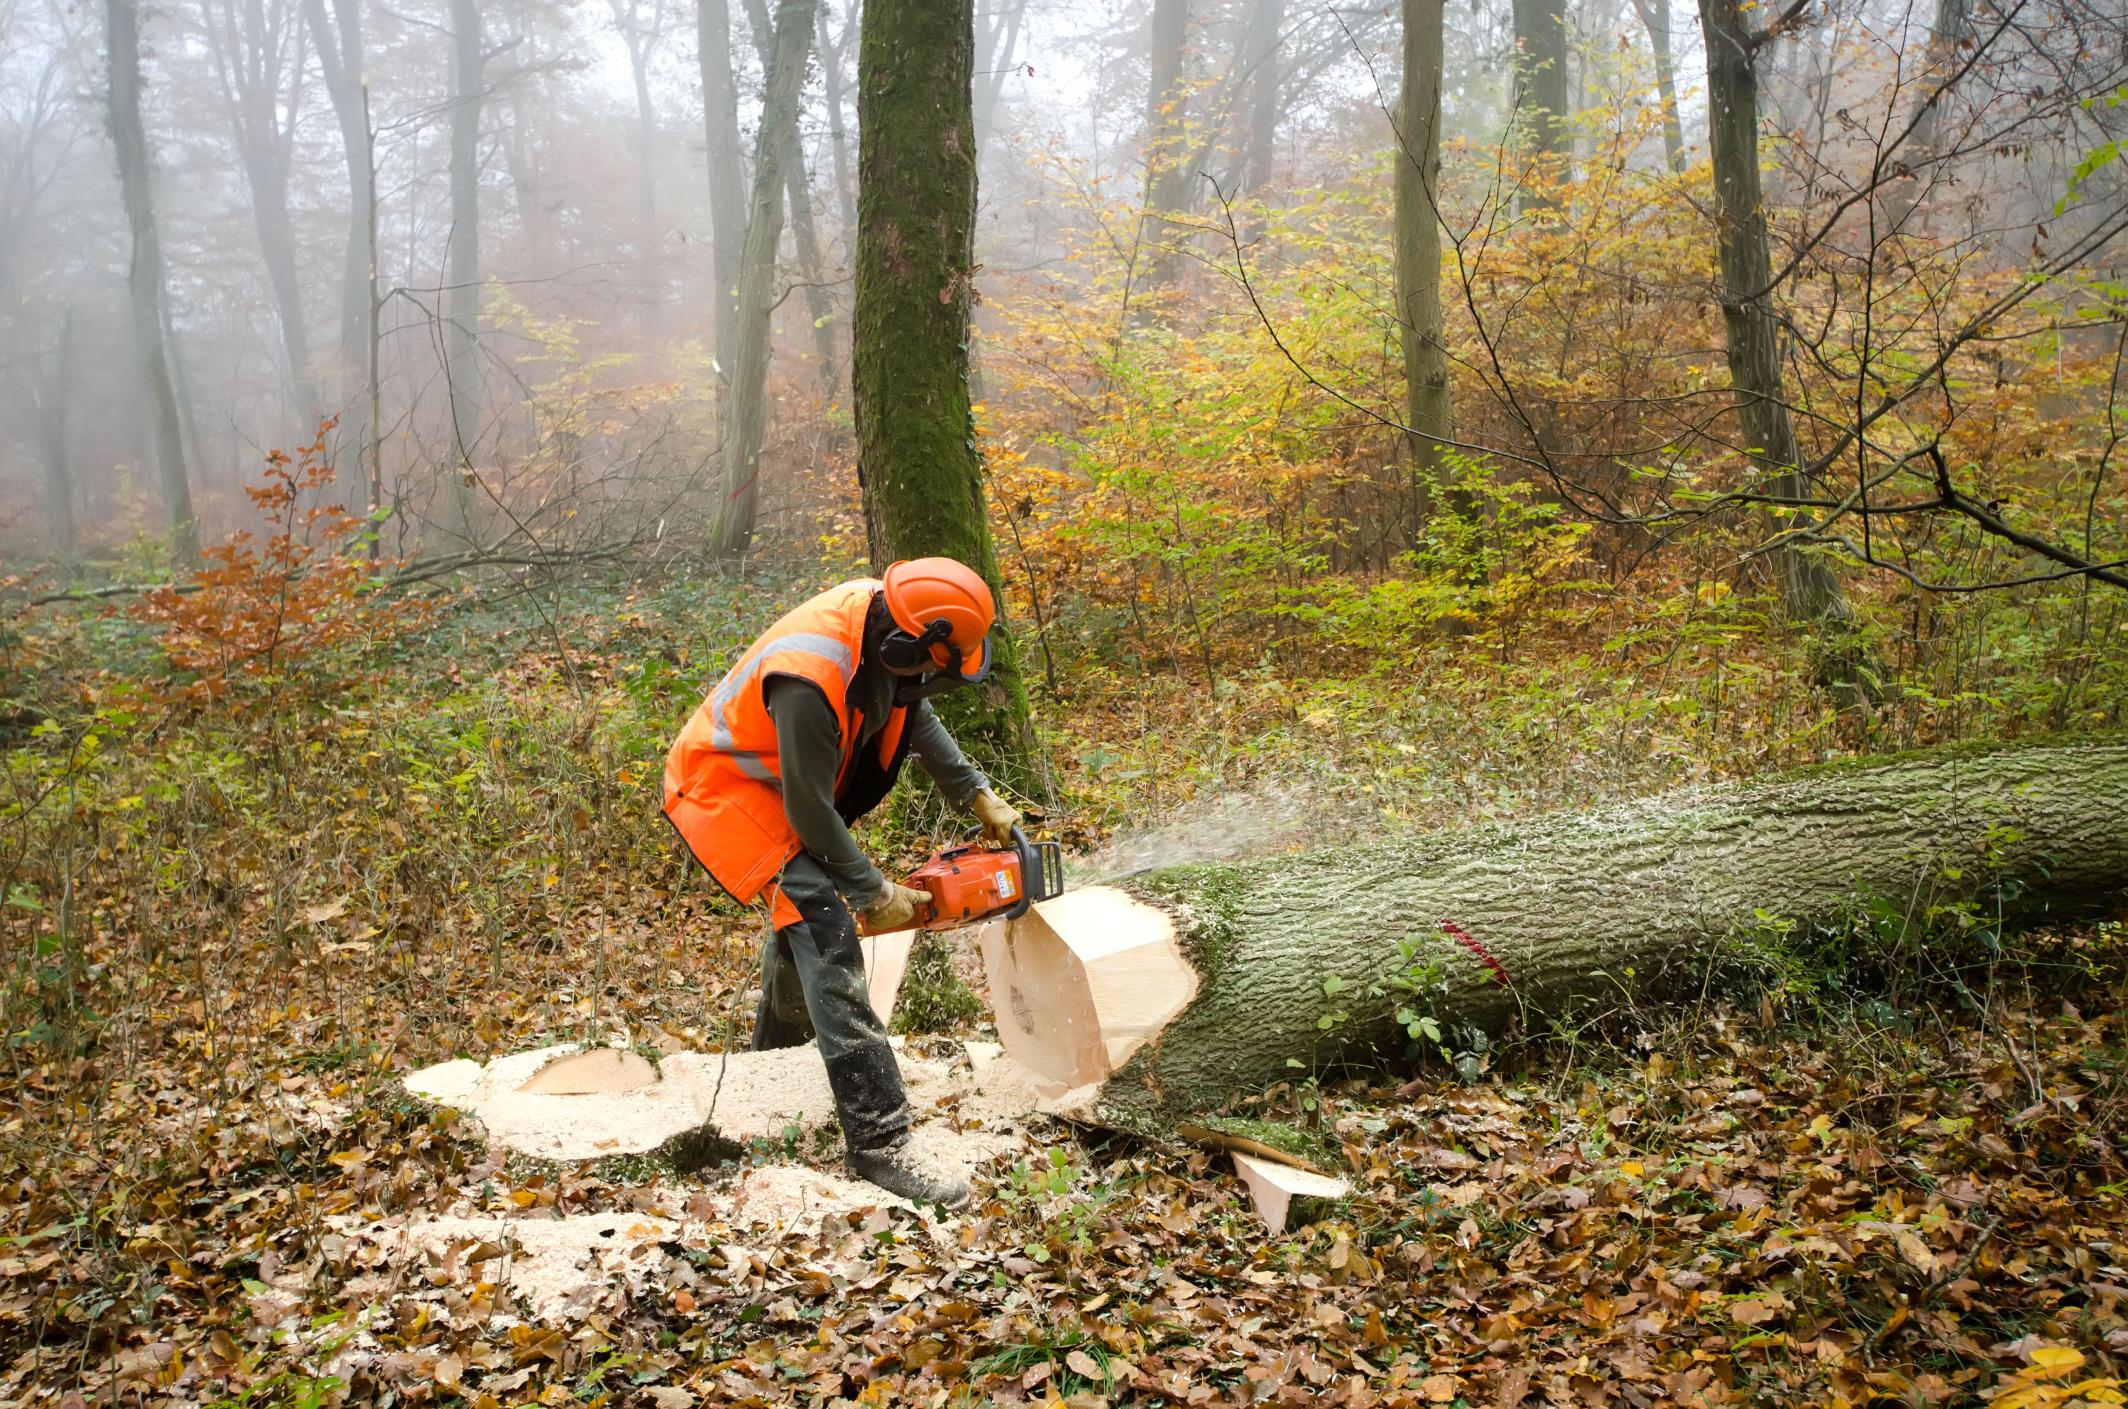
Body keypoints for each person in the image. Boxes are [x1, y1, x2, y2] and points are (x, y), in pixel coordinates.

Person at [662, 558, 1022, 1206]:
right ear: (907, 647)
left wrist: (975, 792)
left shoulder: (888, 629)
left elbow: (911, 711)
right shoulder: (811, 675)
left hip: (784, 784)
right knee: (823, 924)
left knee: (800, 931)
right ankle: (881, 1141)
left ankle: (769, 1076)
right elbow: (807, 809)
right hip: (727, 790)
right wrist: (873, 892)